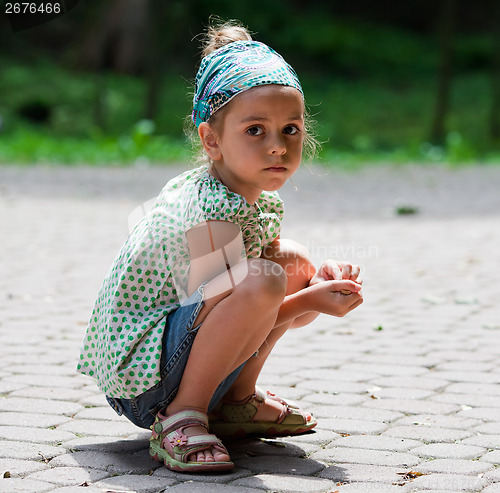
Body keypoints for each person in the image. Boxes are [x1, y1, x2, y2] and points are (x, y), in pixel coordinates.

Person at [77, 20, 363, 473]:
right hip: (145, 383)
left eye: (290, 129)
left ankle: (235, 403)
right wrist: (309, 300)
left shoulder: (251, 199)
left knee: (292, 261)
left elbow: (261, 310)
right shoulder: (210, 206)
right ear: (211, 139)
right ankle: (181, 418)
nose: (277, 147)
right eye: (255, 130)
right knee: (265, 278)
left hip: (183, 348)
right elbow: (234, 310)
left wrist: (319, 282)